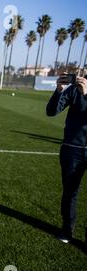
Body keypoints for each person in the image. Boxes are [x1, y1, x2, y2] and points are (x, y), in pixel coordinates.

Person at [46, 74, 87, 245]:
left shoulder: (82, 90)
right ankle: (67, 228)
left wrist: (86, 94)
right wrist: (58, 91)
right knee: (70, 192)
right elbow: (51, 111)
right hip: (72, 149)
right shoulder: (73, 89)